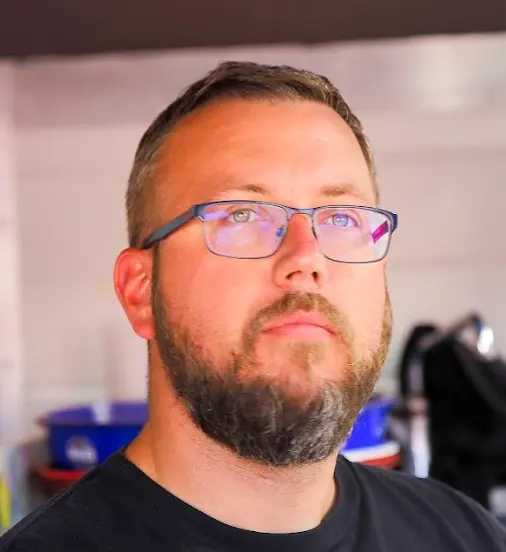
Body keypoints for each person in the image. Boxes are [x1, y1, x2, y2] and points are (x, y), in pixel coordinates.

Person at [1, 61, 505, 552]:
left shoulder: (466, 536)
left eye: (343, 219)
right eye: (242, 215)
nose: (306, 258)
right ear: (140, 292)